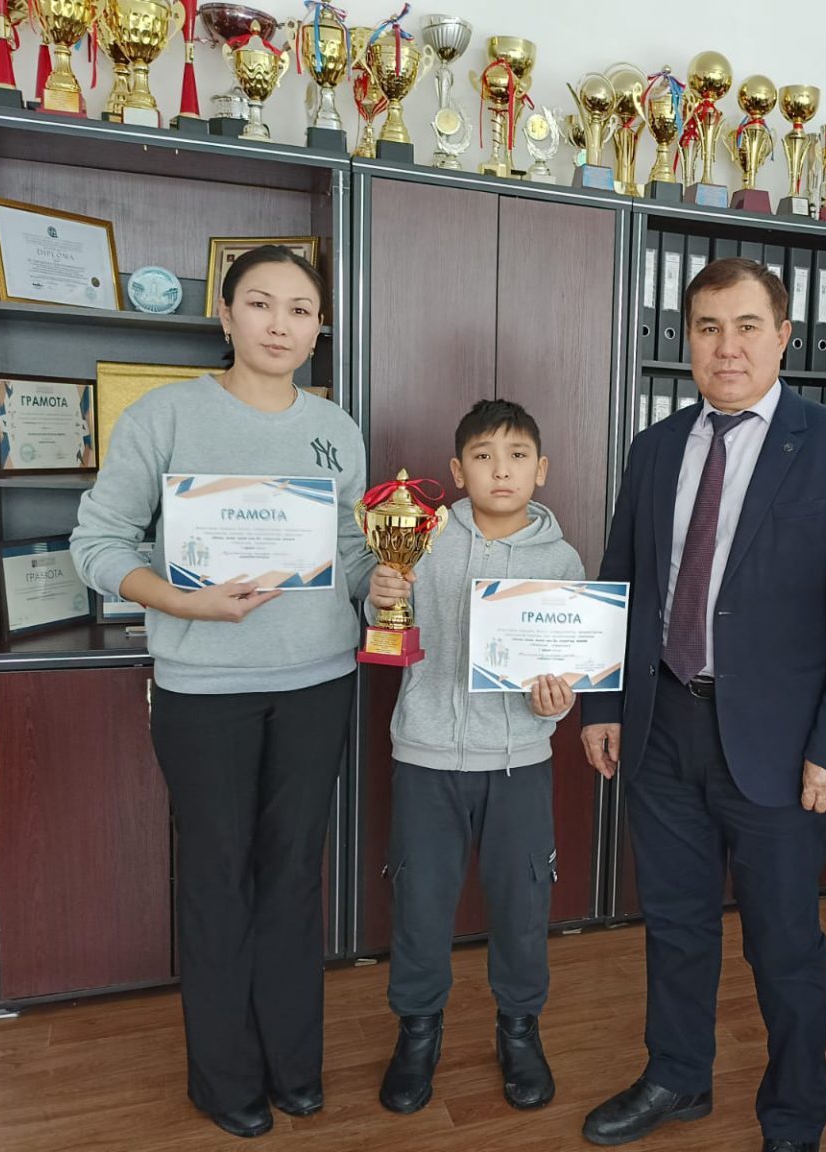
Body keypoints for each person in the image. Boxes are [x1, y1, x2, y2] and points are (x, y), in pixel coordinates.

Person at [580, 258, 826, 1152]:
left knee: (785, 944)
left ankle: (795, 1115)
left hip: (782, 746)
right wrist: (601, 702)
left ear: (785, 336)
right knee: (675, 925)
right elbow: (621, 582)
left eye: (748, 325)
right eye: (709, 327)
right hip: (663, 725)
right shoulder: (655, 447)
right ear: (687, 338)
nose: (728, 346)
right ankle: (677, 1076)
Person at [71, 246, 372, 1139]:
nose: (281, 324)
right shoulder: (164, 416)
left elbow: (350, 555)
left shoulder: (337, 428)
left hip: (319, 682)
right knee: (217, 880)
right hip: (204, 690)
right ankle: (224, 1078)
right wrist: (182, 601)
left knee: (293, 877)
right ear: (227, 316)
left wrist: (385, 580)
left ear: (318, 330)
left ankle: (294, 1066)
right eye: (261, 304)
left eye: (300, 310)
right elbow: (98, 544)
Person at [369, 399, 584, 1116]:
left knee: (523, 902)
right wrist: (380, 596)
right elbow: (386, 627)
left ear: (541, 469)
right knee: (420, 902)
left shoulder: (561, 560)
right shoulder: (420, 540)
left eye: (517, 455)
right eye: (484, 456)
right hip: (426, 757)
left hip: (519, 761)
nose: (501, 470)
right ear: (457, 472)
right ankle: (418, 1031)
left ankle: (519, 1029)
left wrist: (555, 702)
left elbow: (567, 667)